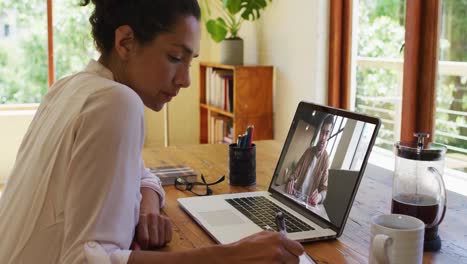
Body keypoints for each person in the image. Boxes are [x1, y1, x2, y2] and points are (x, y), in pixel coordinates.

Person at [0, 1, 304, 263]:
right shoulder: (116, 102)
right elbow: (85, 260)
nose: (185, 80)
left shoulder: (69, 87)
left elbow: (141, 172)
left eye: (190, 61)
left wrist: (147, 206)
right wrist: (233, 256)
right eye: (174, 58)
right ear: (126, 42)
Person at [286, 115, 334, 206]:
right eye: (322, 132)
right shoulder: (308, 151)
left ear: (329, 135)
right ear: (319, 131)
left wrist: (319, 197)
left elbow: (324, 190)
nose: (323, 137)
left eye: (327, 133)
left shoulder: (326, 160)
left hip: (308, 204)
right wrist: (290, 181)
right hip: (296, 197)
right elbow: (294, 174)